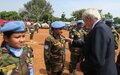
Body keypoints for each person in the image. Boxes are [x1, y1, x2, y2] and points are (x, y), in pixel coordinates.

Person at [80, 8, 117, 75]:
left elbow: (97, 60)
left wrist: (81, 66)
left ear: (88, 18)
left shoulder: (99, 30)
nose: (84, 24)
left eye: (84, 21)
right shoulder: (104, 27)